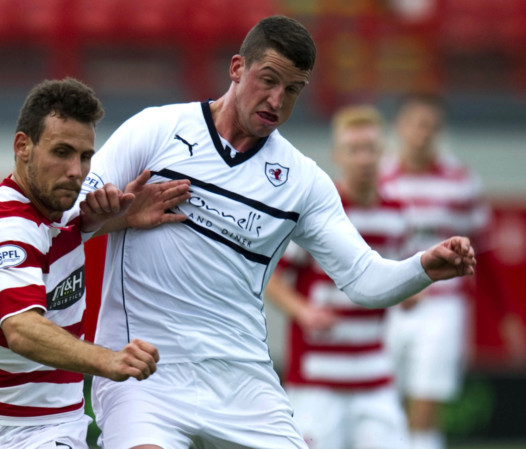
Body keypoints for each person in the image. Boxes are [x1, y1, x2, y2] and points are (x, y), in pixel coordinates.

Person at [80, 16, 476, 449]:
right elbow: (67, 217)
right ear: (237, 69)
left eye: (292, 90)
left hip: (243, 382)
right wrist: (119, 216)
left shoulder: (302, 181)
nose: (276, 100)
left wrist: (424, 267)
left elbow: (364, 281)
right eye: (267, 80)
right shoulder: (156, 130)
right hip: (144, 374)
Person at [0, 78, 190, 449]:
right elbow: (21, 329)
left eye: (85, 156)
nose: (76, 171)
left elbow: (62, 232)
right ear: (23, 147)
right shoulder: (8, 225)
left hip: (50, 426)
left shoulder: (54, 209)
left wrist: (122, 218)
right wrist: (109, 360)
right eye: (62, 152)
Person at [265, 105, 409, 449]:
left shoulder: (397, 216)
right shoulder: (319, 214)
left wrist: (414, 291)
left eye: (370, 149)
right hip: (317, 380)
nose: (363, 159)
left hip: (375, 377)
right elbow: (270, 278)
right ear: (338, 156)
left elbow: (395, 282)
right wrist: (303, 311)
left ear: (383, 153)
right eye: (354, 150)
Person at [378, 93, 490, 449]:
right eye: (416, 124)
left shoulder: (461, 182)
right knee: (382, 402)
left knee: (427, 402)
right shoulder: (379, 180)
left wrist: (505, 316)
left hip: (441, 307)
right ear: (400, 127)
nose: (423, 133)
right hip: (386, 305)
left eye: (431, 126)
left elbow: (484, 252)